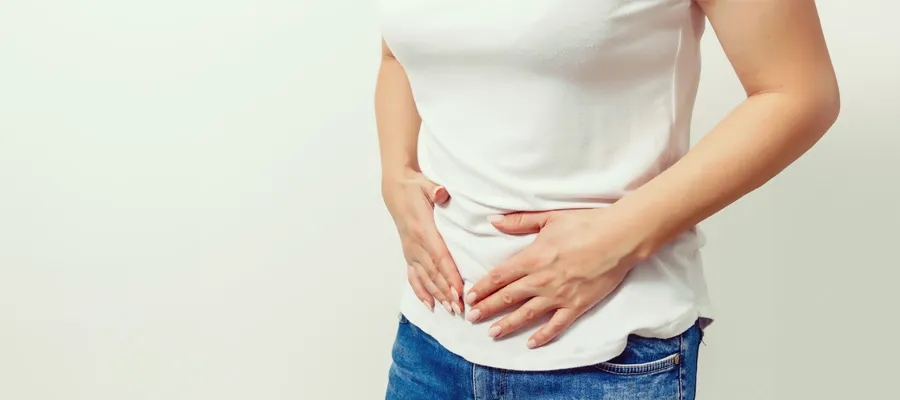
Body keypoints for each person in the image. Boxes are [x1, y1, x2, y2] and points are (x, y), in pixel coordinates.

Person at [374, 0, 839, 398]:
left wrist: (614, 240)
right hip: (430, 340)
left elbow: (799, 92)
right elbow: (399, 51)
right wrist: (395, 174)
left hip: (609, 353)